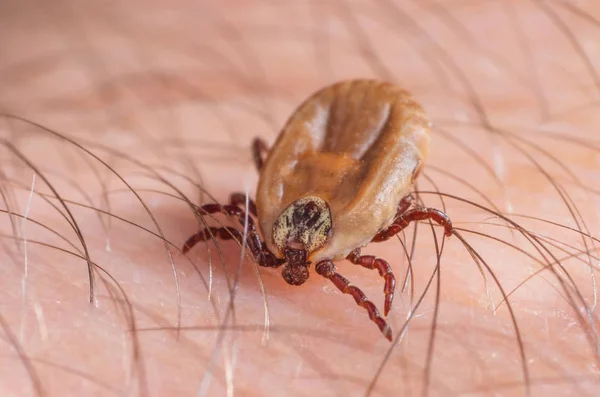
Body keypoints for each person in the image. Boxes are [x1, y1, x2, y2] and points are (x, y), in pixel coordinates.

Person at [1, 1, 598, 395]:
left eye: (289, 260)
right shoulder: (293, 240)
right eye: (291, 258)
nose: (290, 269)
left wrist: (216, 230)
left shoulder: (305, 237)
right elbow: (243, 215)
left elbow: (240, 212)